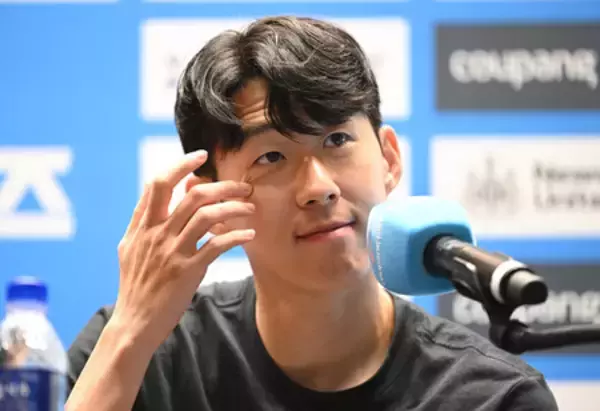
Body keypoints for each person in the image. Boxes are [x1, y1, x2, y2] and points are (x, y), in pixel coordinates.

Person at [65, 15, 559, 411]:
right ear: (213, 200)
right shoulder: (140, 357)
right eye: (271, 157)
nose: (318, 188)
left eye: (337, 139)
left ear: (389, 160)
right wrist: (130, 333)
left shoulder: (492, 397)